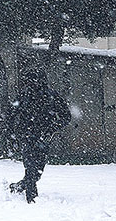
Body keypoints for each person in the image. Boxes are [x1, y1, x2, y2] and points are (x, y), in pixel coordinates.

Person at [7, 68, 71, 203]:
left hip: (43, 137)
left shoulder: (51, 96)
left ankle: (19, 186)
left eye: (34, 81)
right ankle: (32, 198)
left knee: (37, 172)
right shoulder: (24, 96)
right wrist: (14, 133)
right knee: (30, 167)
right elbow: (11, 115)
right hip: (27, 135)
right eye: (29, 81)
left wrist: (52, 128)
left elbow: (66, 116)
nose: (31, 84)